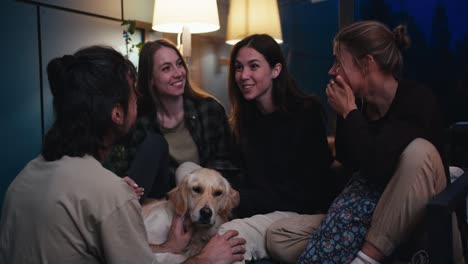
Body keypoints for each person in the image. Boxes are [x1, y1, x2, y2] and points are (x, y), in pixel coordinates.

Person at [0, 45, 246, 264]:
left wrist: (166, 247)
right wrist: (205, 259)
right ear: (117, 114)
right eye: (132, 93)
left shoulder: (24, 177)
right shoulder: (112, 195)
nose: (138, 99)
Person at [266, 20, 464, 264]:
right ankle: (371, 252)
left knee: (419, 151)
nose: (331, 71)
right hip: (371, 216)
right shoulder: (358, 107)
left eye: (338, 62)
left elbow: (378, 168)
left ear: (367, 63)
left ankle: (365, 259)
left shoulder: (417, 100)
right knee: (279, 236)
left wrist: (349, 113)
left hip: (420, 219)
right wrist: (348, 113)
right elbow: (349, 164)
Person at [216, 34, 339, 261]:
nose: (243, 76)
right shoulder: (243, 121)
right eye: (238, 67)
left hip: (301, 214)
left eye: (254, 66)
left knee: (229, 237)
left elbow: (309, 191)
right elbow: (239, 176)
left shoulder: (306, 113)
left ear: (275, 70)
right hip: (258, 210)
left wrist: (243, 198)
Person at [105, 39, 235, 203]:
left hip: (209, 202)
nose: (178, 73)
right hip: (164, 204)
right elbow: (139, 179)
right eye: (166, 68)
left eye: (179, 64)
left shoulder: (209, 110)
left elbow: (226, 164)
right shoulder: (141, 124)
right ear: (150, 79)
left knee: (187, 170)